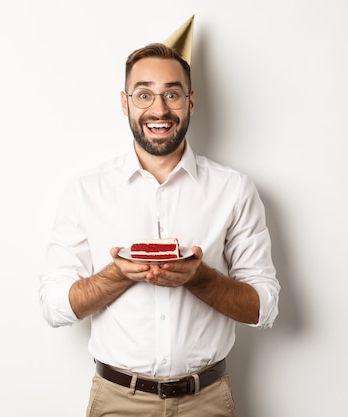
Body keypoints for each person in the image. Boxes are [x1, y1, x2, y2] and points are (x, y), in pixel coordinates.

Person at [39, 17, 279, 417]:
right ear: (124, 102)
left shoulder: (234, 189)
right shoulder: (86, 190)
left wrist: (199, 277)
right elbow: (53, 306)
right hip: (117, 401)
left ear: (191, 101)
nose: (159, 109)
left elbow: (264, 307)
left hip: (207, 401)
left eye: (172, 94)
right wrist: (118, 274)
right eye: (144, 94)